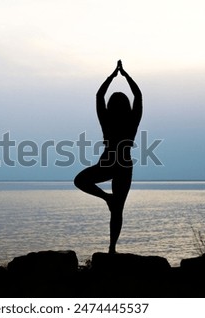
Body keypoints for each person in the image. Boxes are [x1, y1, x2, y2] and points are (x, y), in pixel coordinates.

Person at [74, 60, 142, 254]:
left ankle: (107, 200)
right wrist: (126, 76)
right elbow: (138, 95)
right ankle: (112, 248)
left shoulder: (108, 120)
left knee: (80, 181)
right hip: (123, 164)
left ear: (111, 106)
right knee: (118, 208)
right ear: (126, 106)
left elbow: (99, 96)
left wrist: (113, 76)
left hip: (109, 162)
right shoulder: (132, 120)